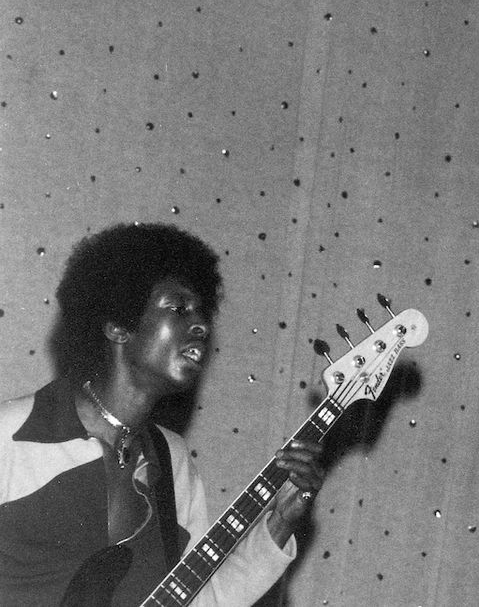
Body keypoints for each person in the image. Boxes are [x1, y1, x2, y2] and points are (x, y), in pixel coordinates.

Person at [0, 222, 326, 606]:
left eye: (202, 311)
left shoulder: (170, 461)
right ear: (119, 325)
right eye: (178, 308)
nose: (202, 324)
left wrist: (279, 522)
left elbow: (199, 600)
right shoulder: (10, 435)